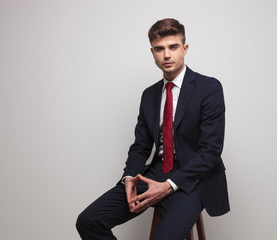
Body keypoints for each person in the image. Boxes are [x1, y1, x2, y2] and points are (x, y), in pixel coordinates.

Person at [76, 18, 230, 240]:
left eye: (173, 47)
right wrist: (129, 176)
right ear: (152, 53)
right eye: (159, 49)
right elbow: (141, 146)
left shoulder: (209, 88)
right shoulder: (149, 95)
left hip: (194, 177)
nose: (166, 55)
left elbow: (211, 151)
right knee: (88, 221)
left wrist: (168, 186)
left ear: (185, 49)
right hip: (156, 170)